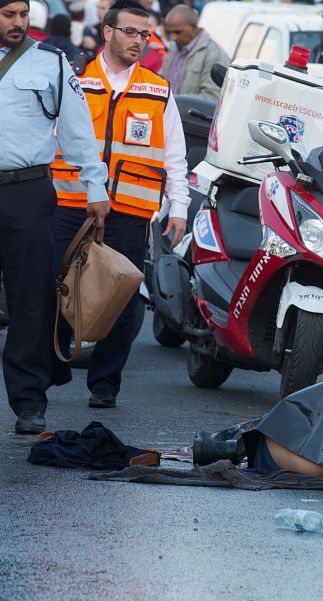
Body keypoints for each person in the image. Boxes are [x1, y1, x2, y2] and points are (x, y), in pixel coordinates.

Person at [50, 0, 189, 409]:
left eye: (145, 34)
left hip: (129, 210)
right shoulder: (74, 79)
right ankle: (55, 361)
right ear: (107, 32)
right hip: (70, 203)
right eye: (130, 31)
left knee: (123, 297)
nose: (139, 41)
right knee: (51, 288)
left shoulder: (157, 89)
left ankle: (105, 383)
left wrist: (178, 206)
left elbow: (174, 156)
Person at [0, 0, 109, 434]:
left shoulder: (50, 61)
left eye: (23, 14)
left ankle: (29, 401)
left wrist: (95, 186)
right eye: (8, 14)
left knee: (31, 300)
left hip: (27, 191)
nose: (19, 22)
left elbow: (76, 125)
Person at [160, 5, 229, 102]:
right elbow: (162, 78)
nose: (173, 38)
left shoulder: (214, 54)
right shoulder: (173, 47)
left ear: (194, 26)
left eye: (178, 32)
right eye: (169, 33)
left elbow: (212, 98)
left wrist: (174, 101)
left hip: (188, 116)